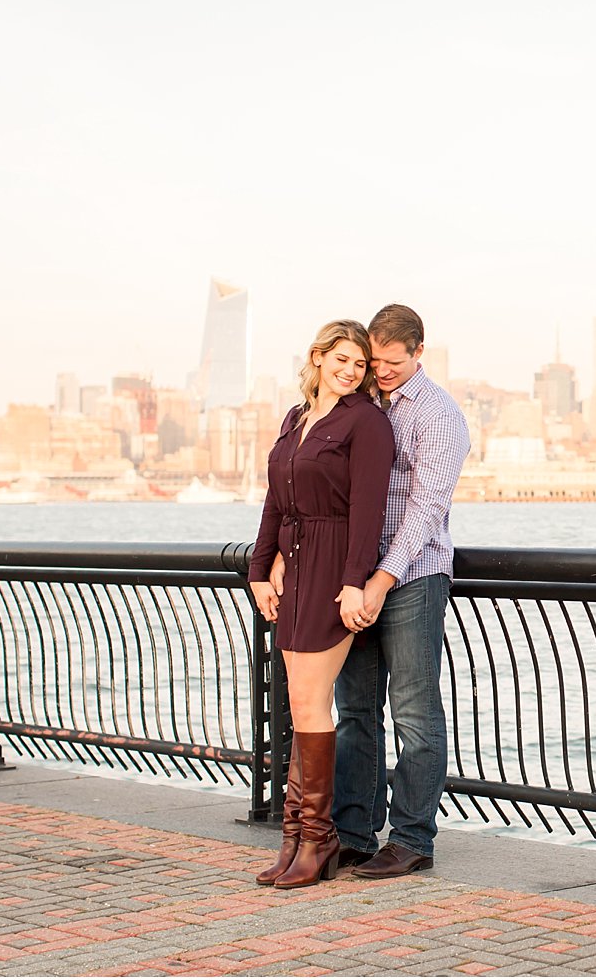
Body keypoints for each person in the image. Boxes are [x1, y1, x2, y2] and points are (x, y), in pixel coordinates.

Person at [248, 319, 394, 889]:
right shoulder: (295, 418)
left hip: (334, 569)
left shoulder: (367, 423)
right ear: (318, 357)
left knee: (311, 704)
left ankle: (318, 837)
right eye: (342, 359)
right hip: (295, 569)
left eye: (360, 364)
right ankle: (295, 838)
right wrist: (260, 569)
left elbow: (368, 511)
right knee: (300, 704)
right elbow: (274, 501)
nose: (351, 370)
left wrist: (356, 582)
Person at [334, 302, 471, 878]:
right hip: (356, 578)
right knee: (356, 711)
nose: (383, 371)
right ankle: (354, 833)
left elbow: (426, 509)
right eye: (376, 360)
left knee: (414, 713)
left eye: (393, 361)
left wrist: (381, 578)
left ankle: (412, 839)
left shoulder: (438, 414)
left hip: (411, 577)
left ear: (419, 353)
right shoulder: (362, 403)